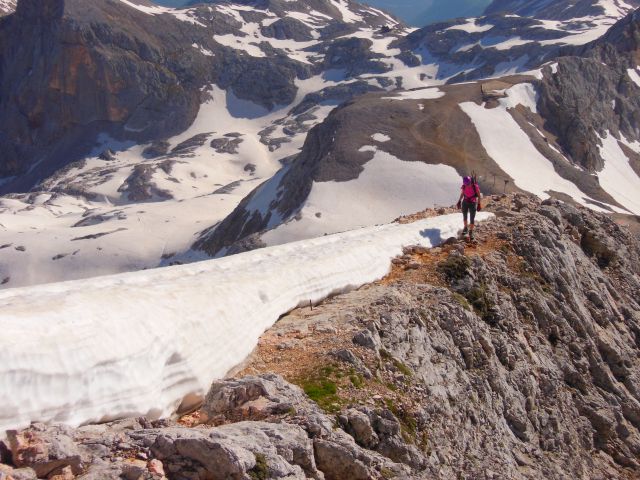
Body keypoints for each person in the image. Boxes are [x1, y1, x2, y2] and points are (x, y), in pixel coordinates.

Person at [456, 176, 482, 240]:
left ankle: (471, 231)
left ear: (470, 182)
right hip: (465, 202)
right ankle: (465, 228)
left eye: (468, 184)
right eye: (466, 184)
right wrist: (459, 201)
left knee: (472, 218)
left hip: (473, 203)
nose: (467, 185)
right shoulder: (464, 186)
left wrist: (479, 204)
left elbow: (479, 196)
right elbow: (462, 194)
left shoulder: (475, 186)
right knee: (465, 216)